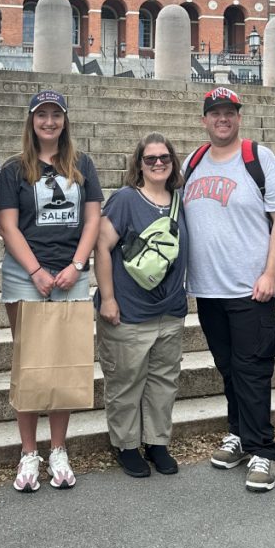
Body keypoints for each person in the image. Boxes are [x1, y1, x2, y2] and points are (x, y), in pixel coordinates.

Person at [182, 87, 275, 493]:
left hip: (252, 289)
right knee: (229, 368)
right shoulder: (193, 161)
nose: (222, 118)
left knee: (253, 369)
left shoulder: (258, 158)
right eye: (214, 113)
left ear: (238, 117)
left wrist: (270, 273)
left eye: (229, 112)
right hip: (209, 290)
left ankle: (263, 449)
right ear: (204, 120)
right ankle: (239, 434)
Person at [0, 90, 102, 492]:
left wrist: (77, 265)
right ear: (31, 121)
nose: (49, 122)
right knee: (30, 361)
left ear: (65, 120)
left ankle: (58, 447)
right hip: (27, 276)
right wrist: (36, 270)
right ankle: (28, 451)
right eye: (42, 115)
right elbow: (7, 226)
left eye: (56, 115)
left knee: (65, 360)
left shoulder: (82, 164)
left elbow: (92, 219)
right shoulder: (14, 170)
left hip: (72, 273)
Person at [94, 133, 188, 478]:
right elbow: (102, 248)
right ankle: (126, 444)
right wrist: (107, 298)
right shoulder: (124, 200)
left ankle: (157, 442)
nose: (159, 163)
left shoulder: (178, 200)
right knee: (126, 382)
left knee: (164, 382)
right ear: (139, 164)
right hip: (129, 311)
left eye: (164, 158)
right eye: (151, 159)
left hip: (170, 310)